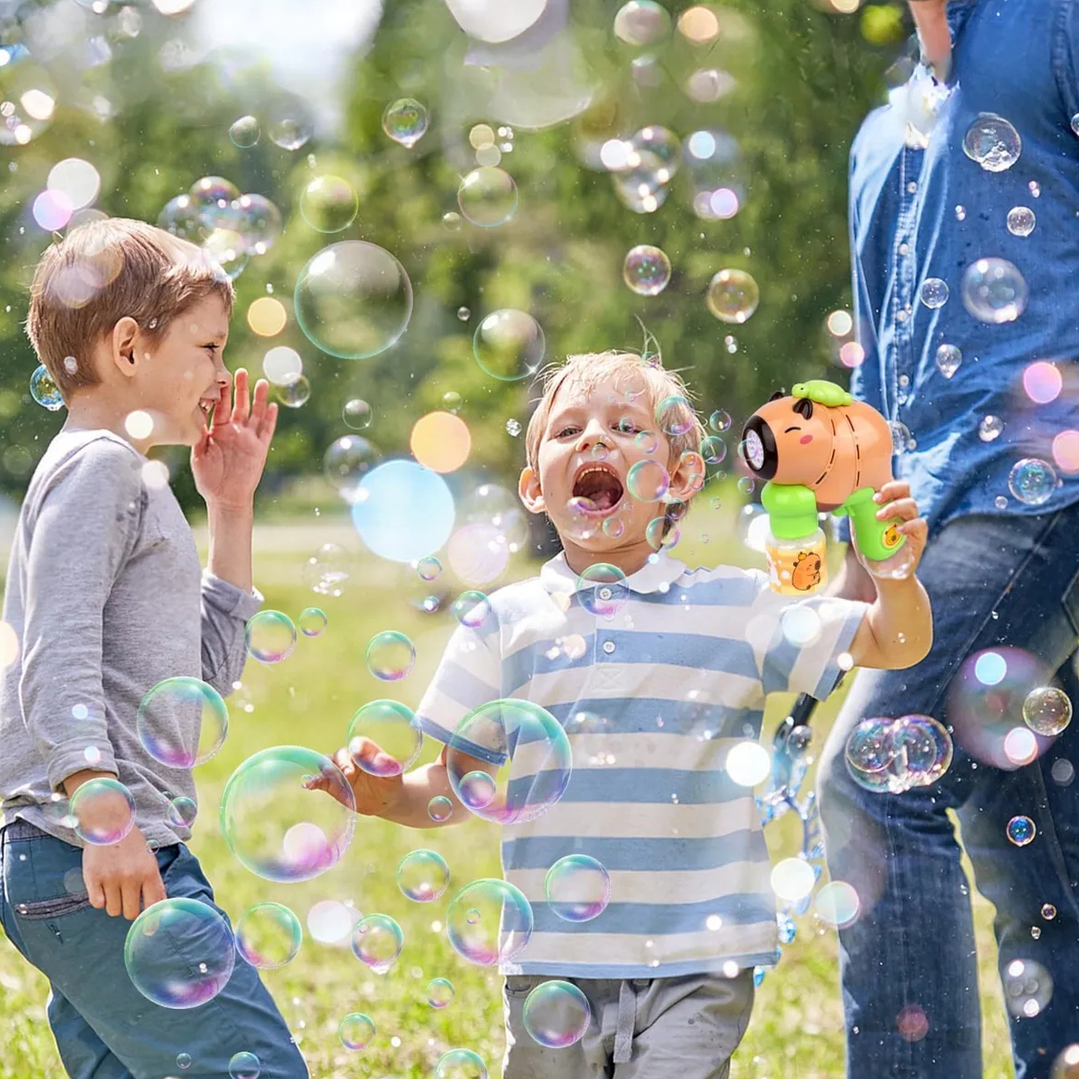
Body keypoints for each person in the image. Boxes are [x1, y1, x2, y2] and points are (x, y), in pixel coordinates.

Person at [312, 349, 932, 1079]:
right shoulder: (501, 623)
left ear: (679, 477)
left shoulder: (735, 608)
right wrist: (391, 796)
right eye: (568, 428)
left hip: (698, 958)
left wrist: (893, 578)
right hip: (551, 961)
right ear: (532, 488)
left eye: (626, 426)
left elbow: (893, 641)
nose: (595, 440)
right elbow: (457, 782)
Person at [818, 1, 1079, 1076]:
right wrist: (852, 574)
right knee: (1031, 838)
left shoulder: (1052, 28)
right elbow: (879, 377)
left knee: (873, 782)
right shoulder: (880, 134)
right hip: (930, 512)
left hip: (1041, 486)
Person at [0, 219, 308, 1078]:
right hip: (95, 848)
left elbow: (200, 683)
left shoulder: (134, 478)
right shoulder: (97, 467)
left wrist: (232, 505)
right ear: (130, 347)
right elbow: (50, 651)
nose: (220, 372)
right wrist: (101, 805)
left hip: (93, 853)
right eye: (209, 347)